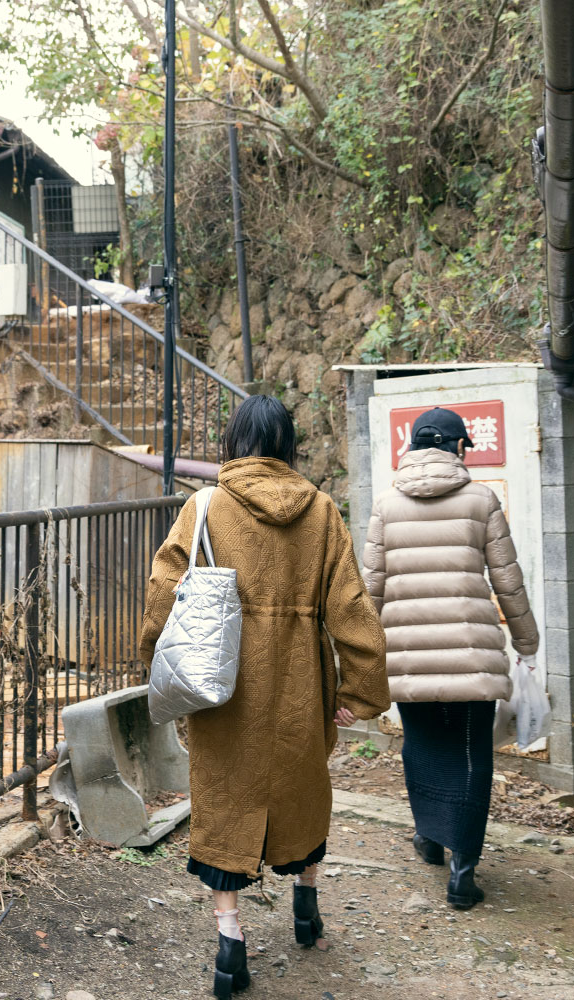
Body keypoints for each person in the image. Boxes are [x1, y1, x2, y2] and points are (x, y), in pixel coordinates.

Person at [139, 395, 390, 999]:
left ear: (232, 443)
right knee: (302, 788)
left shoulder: (206, 506)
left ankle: (230, 943)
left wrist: (156, 654)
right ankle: (307, 905)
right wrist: (361, 688)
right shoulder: (323, 512)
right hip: (302, 679)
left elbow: (162, 593)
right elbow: (351, 606)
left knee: (227, 799)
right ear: (287, 446)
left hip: (223, 686)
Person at [362, 406, 539, 909]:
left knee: (421, 748)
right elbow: (508, 580)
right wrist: (526, 644)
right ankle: (462, 870)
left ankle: (428, 838)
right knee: (468, 757)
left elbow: (369, 591)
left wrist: (365, 659)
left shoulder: (385, 505)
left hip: (408, 660)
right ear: (458, 447)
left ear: (413, 448)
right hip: (471, 661)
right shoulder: (481, 500)